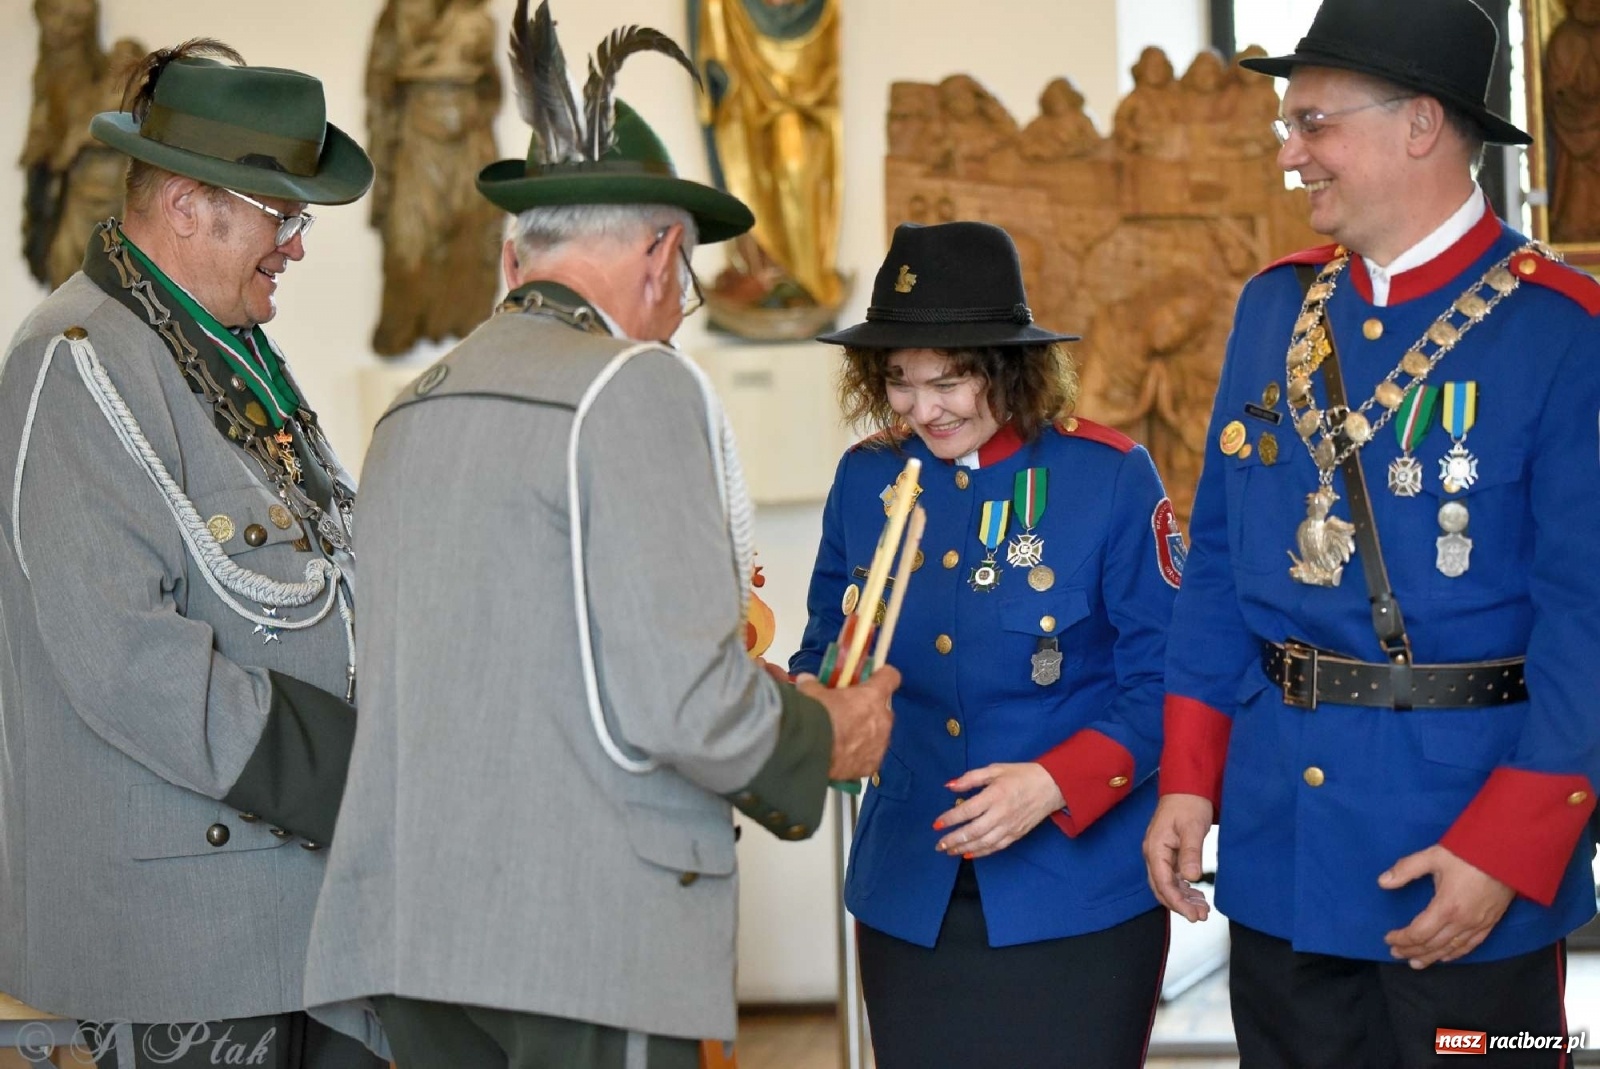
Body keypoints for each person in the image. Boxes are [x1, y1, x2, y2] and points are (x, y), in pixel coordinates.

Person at [302, 4, 898, 1067]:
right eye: (690, 282)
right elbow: (680, 699)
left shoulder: (413, 404)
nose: (680, 313)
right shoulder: (632, 384)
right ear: (665, 252)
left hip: (412, 933)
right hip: (580, 939)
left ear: (511, 251)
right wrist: (825, 736)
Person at [1142, 0, 1600, 1065]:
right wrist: (1187, 775)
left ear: (1420, 125)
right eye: (1287, 126)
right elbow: (1217, 568)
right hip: (1277, 848)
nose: (1290, 154)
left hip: (1463, 857)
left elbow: (1590, 623)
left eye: (1312, 123)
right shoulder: (1275, 309)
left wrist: (1506, 847)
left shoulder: (1561, 331)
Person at [0, 41, 384, 1068]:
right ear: (186, 203)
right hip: (185, 946)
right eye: (282, 215)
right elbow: (123, 658)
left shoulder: (220, 347)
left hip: (300, 915)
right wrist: (352, 767)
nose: (295, 246)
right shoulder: (75, 360)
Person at [796, 220, 1180, 1068]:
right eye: (898, 381)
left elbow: (1166, 681)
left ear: (1010, 369)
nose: (922, 408)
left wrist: (1053, 782)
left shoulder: (1108, 476)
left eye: (950, 381)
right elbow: (827, 648)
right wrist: (807, 704)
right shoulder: (868, 479)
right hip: (908, 889)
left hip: (1077, 890)